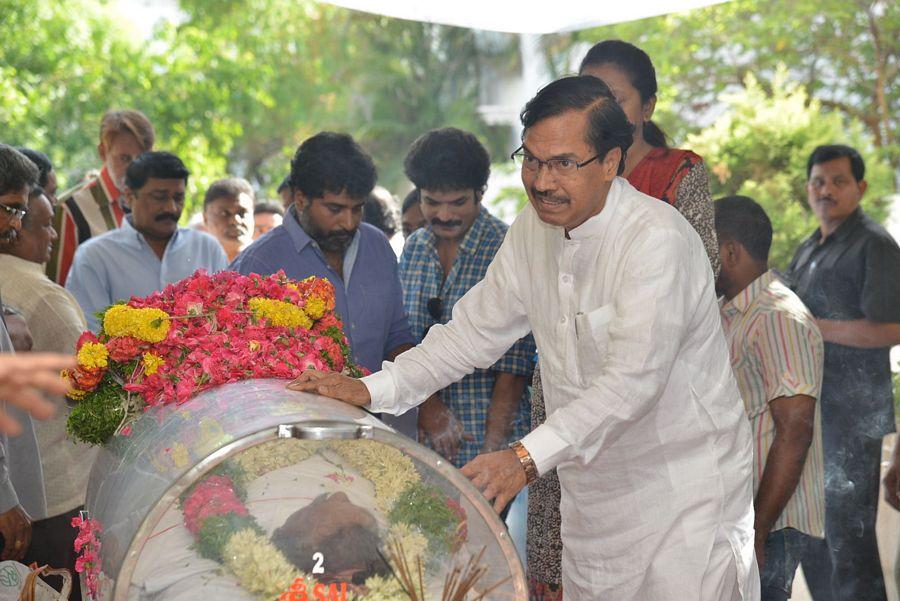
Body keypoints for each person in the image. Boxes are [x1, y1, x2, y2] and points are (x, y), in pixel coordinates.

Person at [289, 76, 757, 601]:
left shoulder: (657, 241)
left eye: (563, 163)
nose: (541, 180)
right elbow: (470, 334)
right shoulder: (532, 231)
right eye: (531, 159)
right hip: (592, 495)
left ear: (610, 163)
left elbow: (632, 383)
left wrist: (523, 458)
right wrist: (373, 389)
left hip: (682, 495)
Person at [528, 38, 722, 598]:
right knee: (561, 545)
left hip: (645, 397)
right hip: (566, 391)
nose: (602, 106)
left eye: (614, 96)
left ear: (646, 108)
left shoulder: (675, 179)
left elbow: (698, 280)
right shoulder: (550, 189)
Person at [231, 133, 416, 437]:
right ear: (300, 198)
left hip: (379, 432)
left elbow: (397, 335)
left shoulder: (377, 246)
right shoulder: (259, 265)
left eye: (357, 208)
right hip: (295, 438)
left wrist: (421, 394)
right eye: (335, 209)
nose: (348, 222)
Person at [786, 144, 900, 601]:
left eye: (838, 182)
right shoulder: (810, 245)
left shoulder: (874, 243)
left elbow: (893, 327)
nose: (825, 191)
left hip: (853, 416)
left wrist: (816, 328)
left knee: (849, 542)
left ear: (860, 188)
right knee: (813, 536)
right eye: (818, 182)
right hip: (811, 413)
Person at [400, 127, 535, 470]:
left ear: (481, 193)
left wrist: (492, 451)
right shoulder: (415, 247)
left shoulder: (506, 247)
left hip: (487, 440)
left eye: (457, 202)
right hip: (422, 437)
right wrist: (429, 409)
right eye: (432, 202)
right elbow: (402, 338)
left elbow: (515, 366)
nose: (444, 215)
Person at [715, 195, 825, 601]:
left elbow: (795, 430)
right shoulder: (732, 312)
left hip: (768, 525)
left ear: (729, 251)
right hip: (742, 519)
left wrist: (757, 530)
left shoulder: (777, 316)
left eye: (706, 248)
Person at [0, 186, 92, 598]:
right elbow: (87, 380)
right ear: (14, 230)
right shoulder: (43, 295)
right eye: (46, 225)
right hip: (51, 493)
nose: (53, 235)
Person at [66, 151, 228, 332]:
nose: (171, 207)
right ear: (129, 196)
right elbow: (91, 334)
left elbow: (226, 322)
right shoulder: (95, 256)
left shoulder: (207, 248)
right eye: (159, 197)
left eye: (178, 198)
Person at [47, 109, 156, 286]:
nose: (135, 169)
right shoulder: (71, 209)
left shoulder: (153, 205)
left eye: (142, 159)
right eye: (125, 158)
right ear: (103, 152)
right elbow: (57, 289)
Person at [202, 177, 255, 261]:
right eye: (225, 213)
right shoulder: (190, 263)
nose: (235, 221)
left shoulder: (273, 264)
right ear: (205, 218)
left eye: (242, 213)